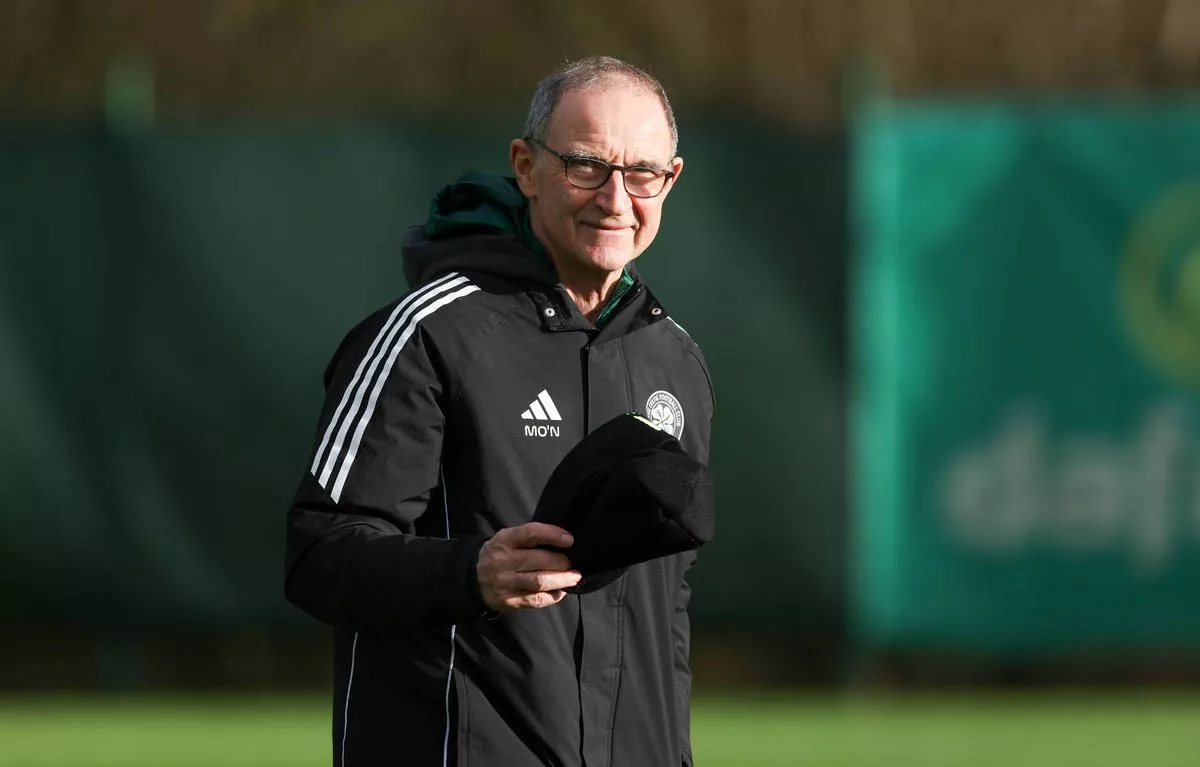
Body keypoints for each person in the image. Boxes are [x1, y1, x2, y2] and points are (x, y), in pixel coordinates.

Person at [285, 55, 714, 767]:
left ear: (670, 180)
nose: (616, 200)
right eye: (586, 167)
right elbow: (319, 553)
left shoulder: (676, 360)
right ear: (526, 166)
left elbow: (666, 605)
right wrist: (470, 574)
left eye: (642, 173)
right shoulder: (427, 334)